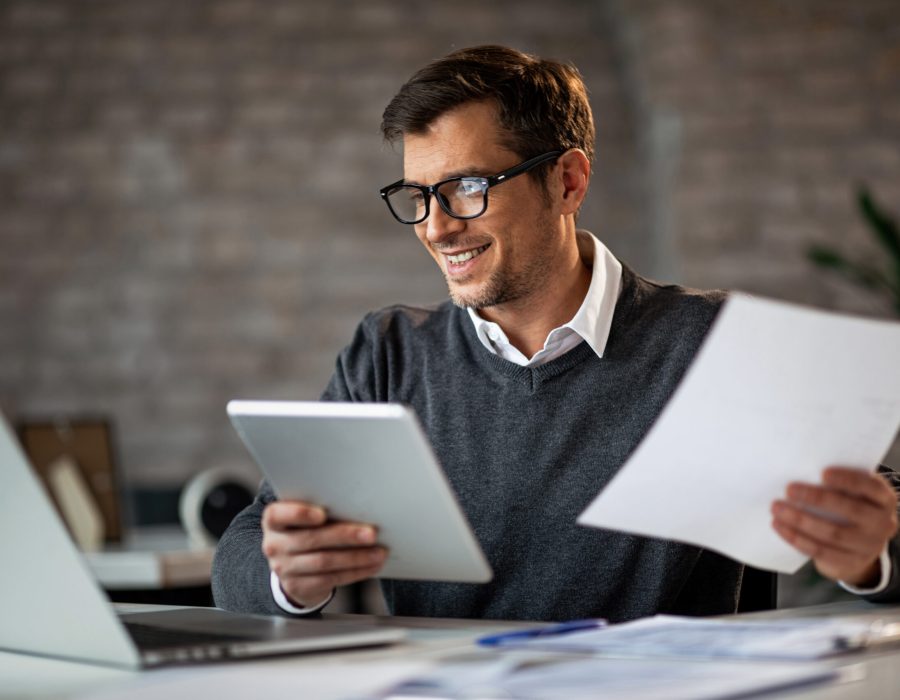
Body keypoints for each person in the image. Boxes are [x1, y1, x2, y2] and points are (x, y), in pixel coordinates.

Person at [212, 45, 900, 622]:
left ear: (568, 181)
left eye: (467, 187)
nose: (436, 226)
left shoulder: (713, 342)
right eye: (418, 195)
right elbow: (246, 548)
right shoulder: (390, 354)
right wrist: (289, 575)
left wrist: (870, 551)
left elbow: (879, 511)